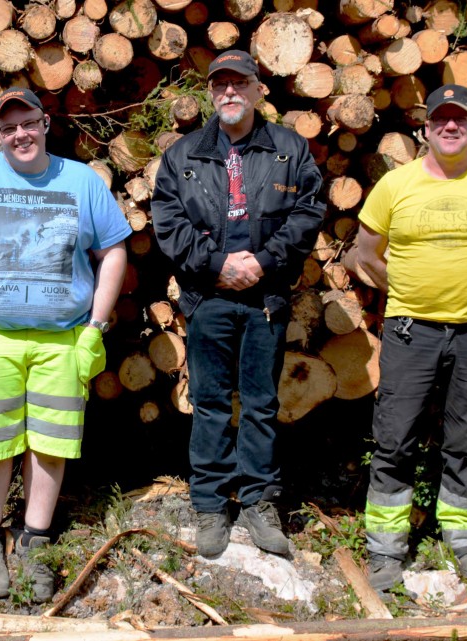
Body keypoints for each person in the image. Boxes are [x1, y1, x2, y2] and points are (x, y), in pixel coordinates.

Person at [0, 87, 130, 601]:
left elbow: (114, 252)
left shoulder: (81, 181)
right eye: (9, 127)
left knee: (50, 444)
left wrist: (94, 328)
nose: (21, 134)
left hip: (61, 342)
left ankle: (35, 541)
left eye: (29, 122)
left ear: (45, 123)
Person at [357, 84, 467, 591]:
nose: (450, 127)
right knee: (395, 435)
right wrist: (408, 293)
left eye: (460, 119)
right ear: (426, 129)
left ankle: (465, 540)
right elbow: (368, 255)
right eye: (441, 120)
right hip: (411, 330)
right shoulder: (396, 186)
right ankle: (386, 549)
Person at [150, 50, 325, 558]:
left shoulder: (290, 150)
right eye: (220, 84)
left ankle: (258, 500)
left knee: (262, 404)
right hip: (209, 297)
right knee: (208, 403)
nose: (230, 92)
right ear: (211, 93)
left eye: (239, 83)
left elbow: (307, 213)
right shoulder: (183, 155)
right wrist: (215, 265)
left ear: (256, 90)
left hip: (265, 297)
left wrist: (264, 262)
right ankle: (208, 505)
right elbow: (168, 220)